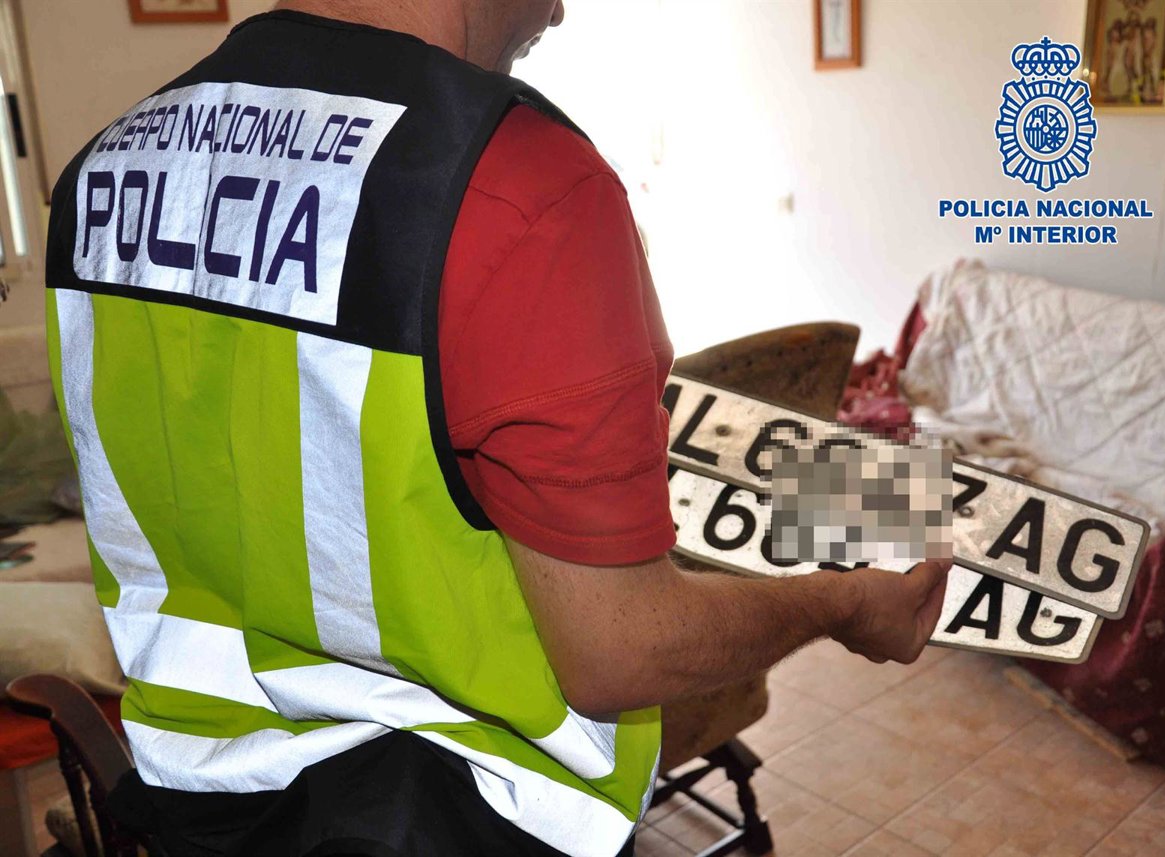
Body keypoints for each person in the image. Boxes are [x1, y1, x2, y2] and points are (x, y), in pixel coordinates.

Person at [44, 1, 950, 855]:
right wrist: (839, 603)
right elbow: (621, 647)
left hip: (203, 806)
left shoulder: (102, 173)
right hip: (458, 816)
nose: (558, 10)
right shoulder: (522, 185)